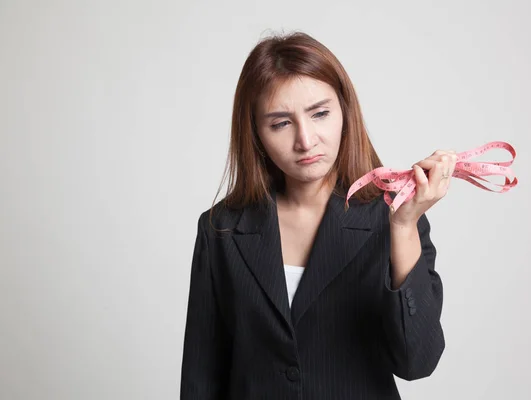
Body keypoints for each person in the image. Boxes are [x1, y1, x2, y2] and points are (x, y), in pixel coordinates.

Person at [180, 30, 458, 399]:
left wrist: (404, 227)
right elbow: (202, 377)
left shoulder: (394, 216)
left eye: (320, 114)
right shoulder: (221, 229)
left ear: (345, 111)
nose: (306, 140)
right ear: (255, 133)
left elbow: (417, 362)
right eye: (281, 123)